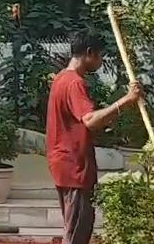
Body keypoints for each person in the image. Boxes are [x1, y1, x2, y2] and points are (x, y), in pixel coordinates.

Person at [46, 31, 143, 244]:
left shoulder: (61, 78)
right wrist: (126, 100)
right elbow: (89, 119)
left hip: (65, 164)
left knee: (75, 227)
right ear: (89, 53)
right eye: (100, 56)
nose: (100, 62)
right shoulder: (74, 83)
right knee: (77, 234)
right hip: (74, 168)